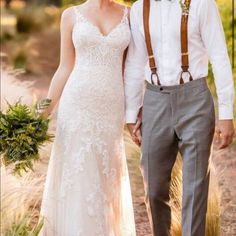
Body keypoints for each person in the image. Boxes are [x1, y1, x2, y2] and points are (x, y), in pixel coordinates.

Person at [125, 0, 235, 235]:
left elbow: (219, 56)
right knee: (153, 188)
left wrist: (226, 113)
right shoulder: (139, 9)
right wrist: (131, 111)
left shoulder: (202, 4)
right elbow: (134, 63)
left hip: (195, 99)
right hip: (155, 100)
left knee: (194, 189)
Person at [38, 0, 136, 235]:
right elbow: (64, 67)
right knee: (79, 174)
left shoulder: (130, 15)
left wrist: (135, 110)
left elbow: (132, 69)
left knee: (105, 175)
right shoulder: (71, 15)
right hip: (77, 106)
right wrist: (41, 113)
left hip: (111, 109)